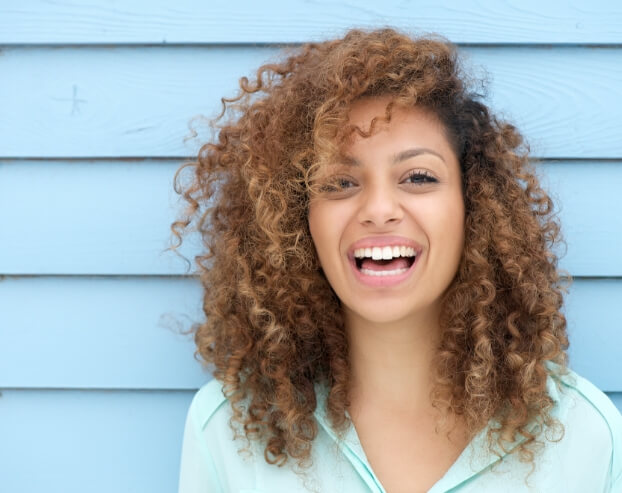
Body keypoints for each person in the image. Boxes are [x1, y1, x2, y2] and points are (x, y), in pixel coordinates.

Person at [172, 28, 622, 492]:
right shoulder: (227, 428)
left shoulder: (585, 439)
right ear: (294, 219)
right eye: (340, 183)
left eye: (419, 177)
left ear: (475, 206)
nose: (379, 209)